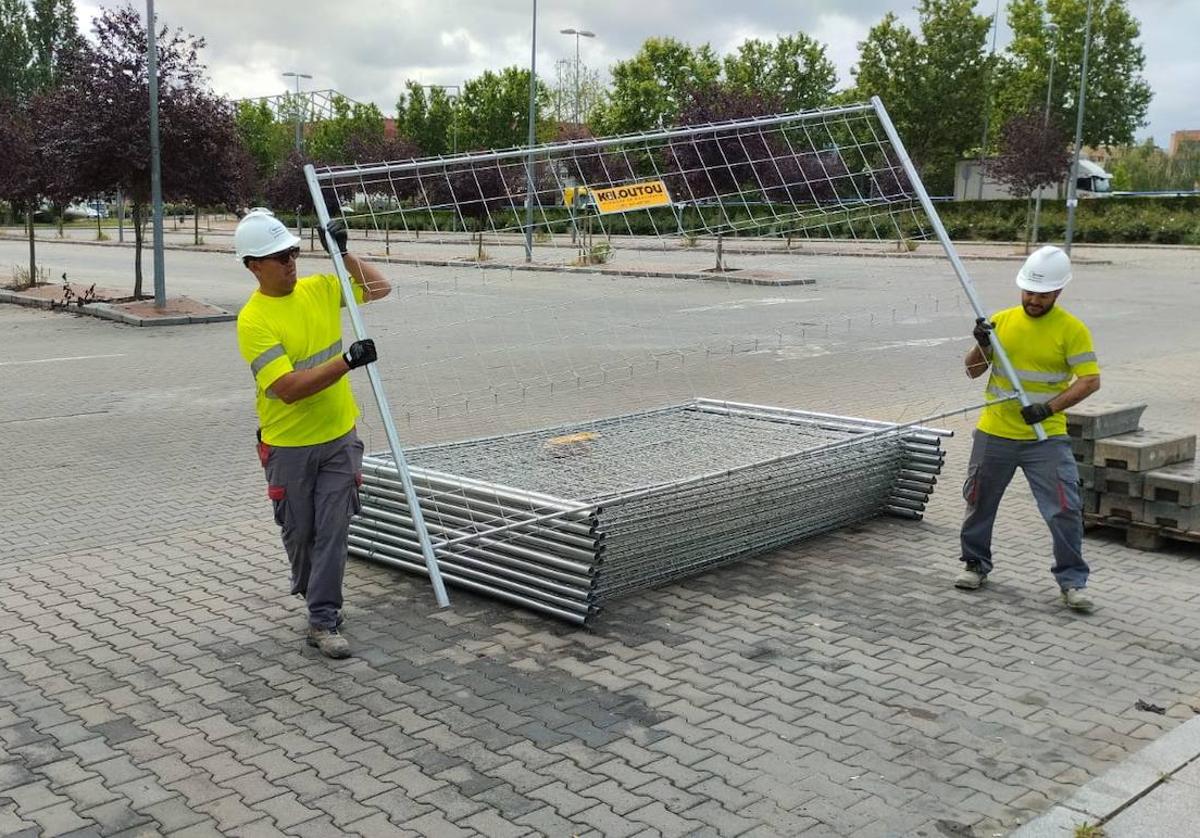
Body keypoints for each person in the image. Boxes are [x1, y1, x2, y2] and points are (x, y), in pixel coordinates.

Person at [234, 208, 391, 658]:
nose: (289, 263)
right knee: (301, 534)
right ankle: (312, 590)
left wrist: (343, 254)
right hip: (288, 448)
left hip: (339, 437)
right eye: (277, 257)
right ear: (252, 265)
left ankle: (323, 619)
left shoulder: (320, 289)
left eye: (292, 253)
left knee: (333, 529)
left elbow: (379, 288)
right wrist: (346, 361)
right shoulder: (254, 319)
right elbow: (286, 389)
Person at [956, 245, 1101, 612]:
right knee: (978, 502)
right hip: (995, 433)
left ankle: (1072, 582)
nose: (1034, 299)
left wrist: (1048, 408)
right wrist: (980, 345)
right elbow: (973, 372)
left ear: (1058, 292)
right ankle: (975, 564)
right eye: (1029, 292)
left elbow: (1089, 381)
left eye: (1043, 294)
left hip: (1045, 438)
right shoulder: (1000, 322)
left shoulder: (1072, 330)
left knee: (1064, 508)